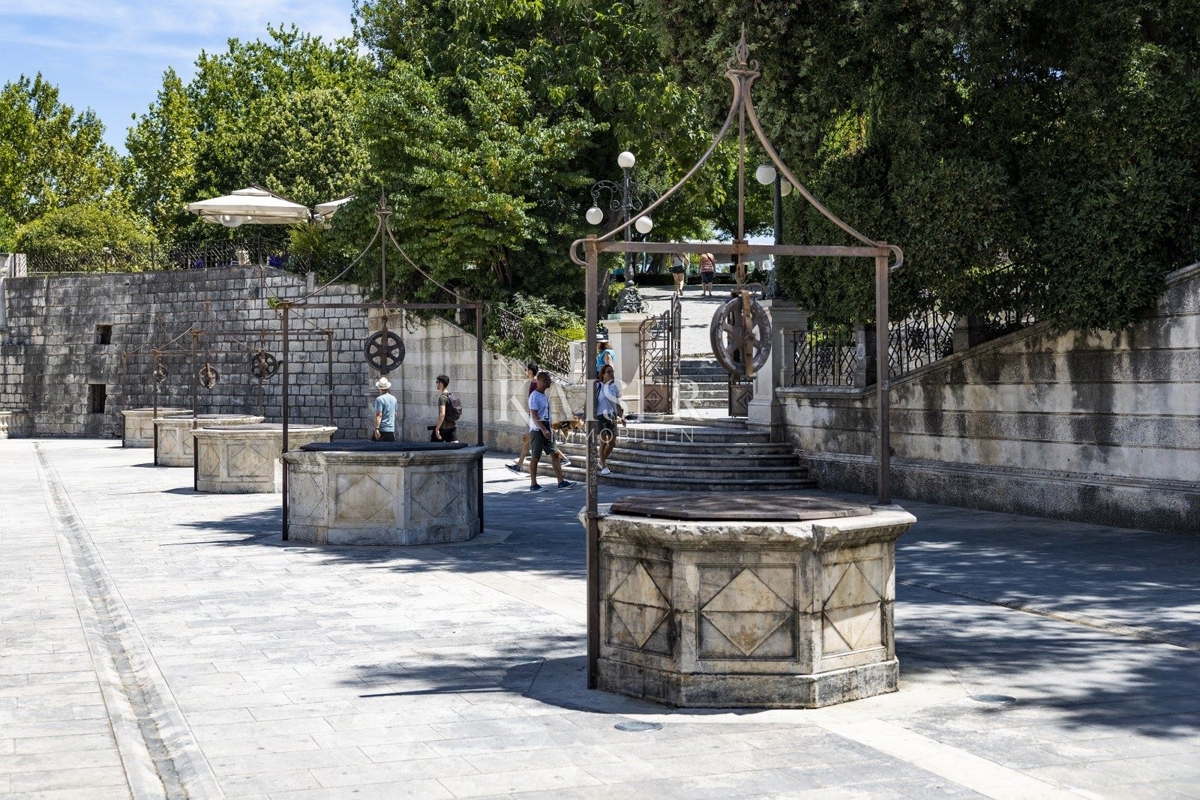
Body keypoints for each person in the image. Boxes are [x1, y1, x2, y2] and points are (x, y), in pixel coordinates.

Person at [528, 371, 577, 492]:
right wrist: (544, 430)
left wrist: (550, 429)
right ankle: (533, 484)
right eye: (548, 380)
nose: (550, 382)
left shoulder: (544, 395)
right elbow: (534, 416)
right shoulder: (534, 396)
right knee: (535, 457)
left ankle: (561, 482)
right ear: (542, 381)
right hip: (537, 430)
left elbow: (545, 415)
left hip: (546, 429)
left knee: (555, 454)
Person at [506, 362, 539, 474]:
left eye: (526, 370)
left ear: (530, 371)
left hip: (535, 419)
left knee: (545, 442)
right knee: (526, 440)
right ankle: (518, 466)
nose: (525, 372)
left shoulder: (534, 383)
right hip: (533, 418)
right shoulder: (533, 383)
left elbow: (537, 401)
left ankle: (562, 458)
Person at [596, 364, 626, 475]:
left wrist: (622, 416)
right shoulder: (598, 386)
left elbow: (617, 404)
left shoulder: (614, 387)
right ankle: (604, 466)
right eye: (609, 372)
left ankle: (601, 460)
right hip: (601, 416)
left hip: (612, 416)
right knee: (603, 442)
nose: (611, 374)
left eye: (612, 372)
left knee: (612, 443)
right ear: (603, 374)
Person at [431, 374, 458, 442]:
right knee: (455, 448)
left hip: (443, 428)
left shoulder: (442, 397)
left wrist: (437, 429)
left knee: (433, 448)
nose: (436, 384)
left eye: (437, 382)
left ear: (441, 383)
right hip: (452, 426)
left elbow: (442, 414)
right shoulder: (451, 395)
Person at [372, 376, 397, 442]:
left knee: (376, 450)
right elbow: (395, 414)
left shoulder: (379, 399)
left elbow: (379, 415)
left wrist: (377, 428)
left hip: (381, 429)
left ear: (379, 388)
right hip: (391, 429)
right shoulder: (394, 399)